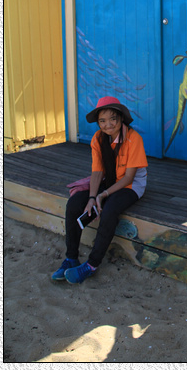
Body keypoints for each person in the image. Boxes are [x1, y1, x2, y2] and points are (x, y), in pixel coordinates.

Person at [52, 96, 148, 284]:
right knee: (74, 204)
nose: (108, 124)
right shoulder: (98, 138)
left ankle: (91, 265)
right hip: (109, 179)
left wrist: (103, 194)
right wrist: (91, 197)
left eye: (113, 119)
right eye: (102, 121)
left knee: (110, 210)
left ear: (121, 118)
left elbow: (128, 178)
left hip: (131, 185)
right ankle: (71, 258)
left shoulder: (133, 138)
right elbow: (97, 171)